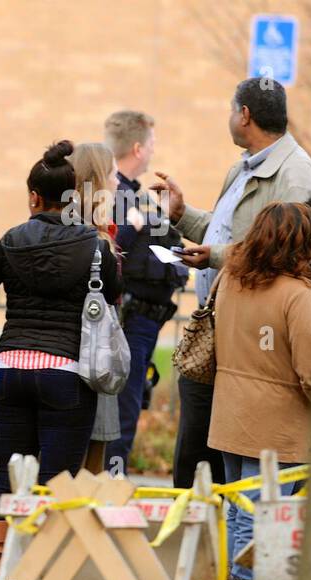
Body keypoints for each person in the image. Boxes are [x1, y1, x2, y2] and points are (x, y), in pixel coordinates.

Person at [0, 140, 121, 580]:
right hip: (66, 377)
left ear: (32, 196)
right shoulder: (95, 249)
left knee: (5, 476)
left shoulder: (9, 241)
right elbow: (112, 304)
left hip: (11, 375)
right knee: (57, 484)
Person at [151, 77, 311, 488]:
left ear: (245, 115)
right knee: (197, 444)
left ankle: (231, 540)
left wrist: (216, 257)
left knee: (231, 456)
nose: (229, 117)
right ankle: (203, 537)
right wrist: (181, 214)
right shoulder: (244, 166)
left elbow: (285, 248)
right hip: (217, 321)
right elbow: (224, 232)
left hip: (253, 331)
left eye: (231, 109)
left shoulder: (295, 175)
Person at [207, 201, 311, 580]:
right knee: (266, 518)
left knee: (240, 512)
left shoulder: (231, 278)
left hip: (229, 412)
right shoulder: (298, 296)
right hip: (277, 423)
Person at [103, 111, 187, 475]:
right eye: (151, 145)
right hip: (127, 319)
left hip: (142, 319)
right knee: (121, 411)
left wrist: (159, 219)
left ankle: (106, 488)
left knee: (127, 406)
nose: (153, 152)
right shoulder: (112, 195)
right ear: (138, 148)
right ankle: (108, 491)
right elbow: (108, 249)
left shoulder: (131, 197)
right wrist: (137, 223)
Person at [68, 142, 124, 475]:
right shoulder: (94, 239)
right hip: (92, 354)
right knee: (88, 465)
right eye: (113, 174)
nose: (119, 182)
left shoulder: (68, 228)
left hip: (81, 352)